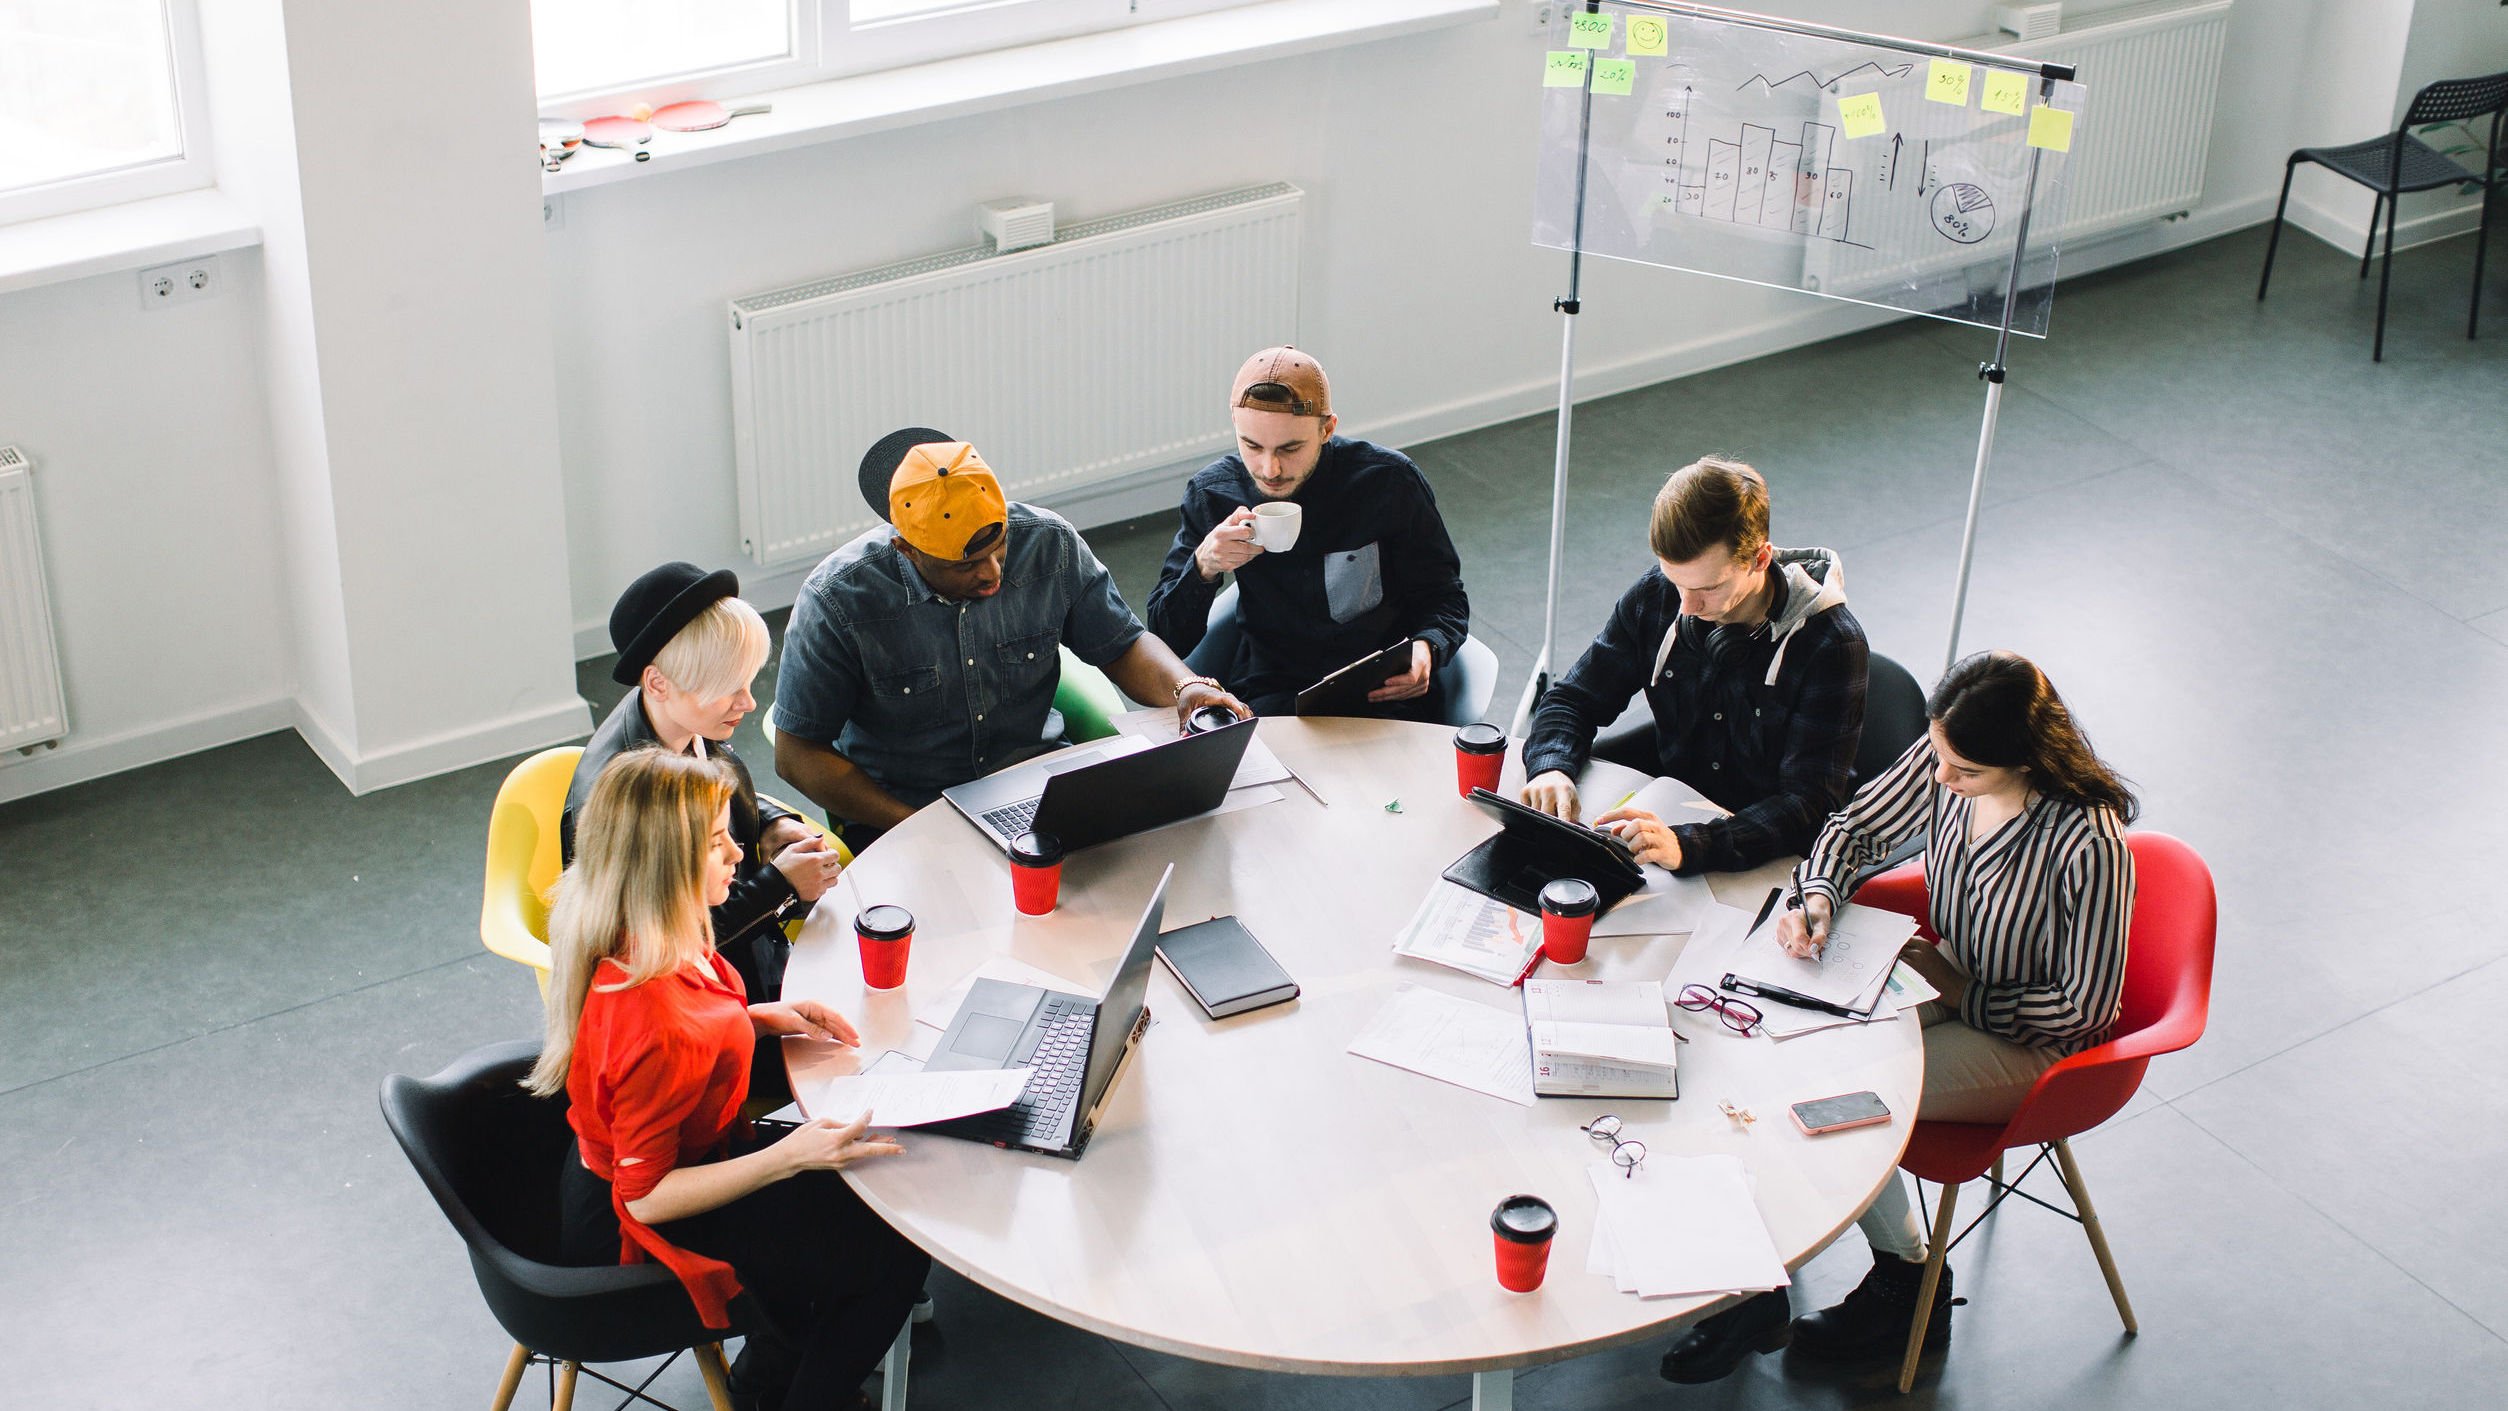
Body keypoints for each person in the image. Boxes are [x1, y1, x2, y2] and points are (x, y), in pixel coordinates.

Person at [1661, 651, 2137, 1382]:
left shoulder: (2089, 843)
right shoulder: (1950, 756)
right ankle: (1758, 1286)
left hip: (2036, 1039)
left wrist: (1961, 992)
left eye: (1964, 772)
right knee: (1784, 1057)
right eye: (1939, 755)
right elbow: (1854, 828)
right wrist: (1816, 896)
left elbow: (2086, 1008)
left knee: (1838, 1103)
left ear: (2026, 761)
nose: (1941, 779)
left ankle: (1908, 1284)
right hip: (1945, 978)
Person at [532, 748, 930, 1411]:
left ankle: (766, 1380)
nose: (739, 856)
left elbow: (688, 1025)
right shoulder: (651, 1020)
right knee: (894, 1252)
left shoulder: (653, 932)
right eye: (718, 844)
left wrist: (758, 1020)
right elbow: (646, 1198)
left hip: (674, 1160)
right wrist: (788, 1154)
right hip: (643, 1221)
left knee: (866, 1209)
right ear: (668, 866)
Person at [773, 429, 1248, 843]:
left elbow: (1122, 645)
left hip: (1037, 785)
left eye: (999, 547)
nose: (992, 574)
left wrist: (1187, 686)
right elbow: (797, 755)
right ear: (907, 550)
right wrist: (918, 826)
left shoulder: (1048, 543)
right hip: (909, 808)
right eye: (965, 565)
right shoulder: (838, 599)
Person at [1518, 456, 1866, 875]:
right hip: (1672, 813)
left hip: (1770, 853)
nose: (1685, 606)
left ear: (1760, 559)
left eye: (1708, 588)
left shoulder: (1832, 645)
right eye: (1676, 581)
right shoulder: (1655, 596)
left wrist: (1690, 845)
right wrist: (1551, 765)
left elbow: (1808, 804)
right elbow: (1574, 698)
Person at [562, 561, 840, 1003]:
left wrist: (770, 823)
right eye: (727, 688)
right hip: (694, 997)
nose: (748, 702)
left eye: (747, 682)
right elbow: (664, 946)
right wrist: (780, 884)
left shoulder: (679, 718)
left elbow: (711, 795)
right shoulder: (628, 800)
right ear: (657, 682)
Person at [1144, 346, 1470, 718]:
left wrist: (1428, 647)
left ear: (1327, 429)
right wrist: (1204, 566)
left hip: (1381, 686)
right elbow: (1166, 638)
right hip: (1273, 689)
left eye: (1290, 448)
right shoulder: (1213, 494)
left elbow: (1445, 596)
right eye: (1252, 446)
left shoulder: (1389, 482)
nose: (1270, 469)